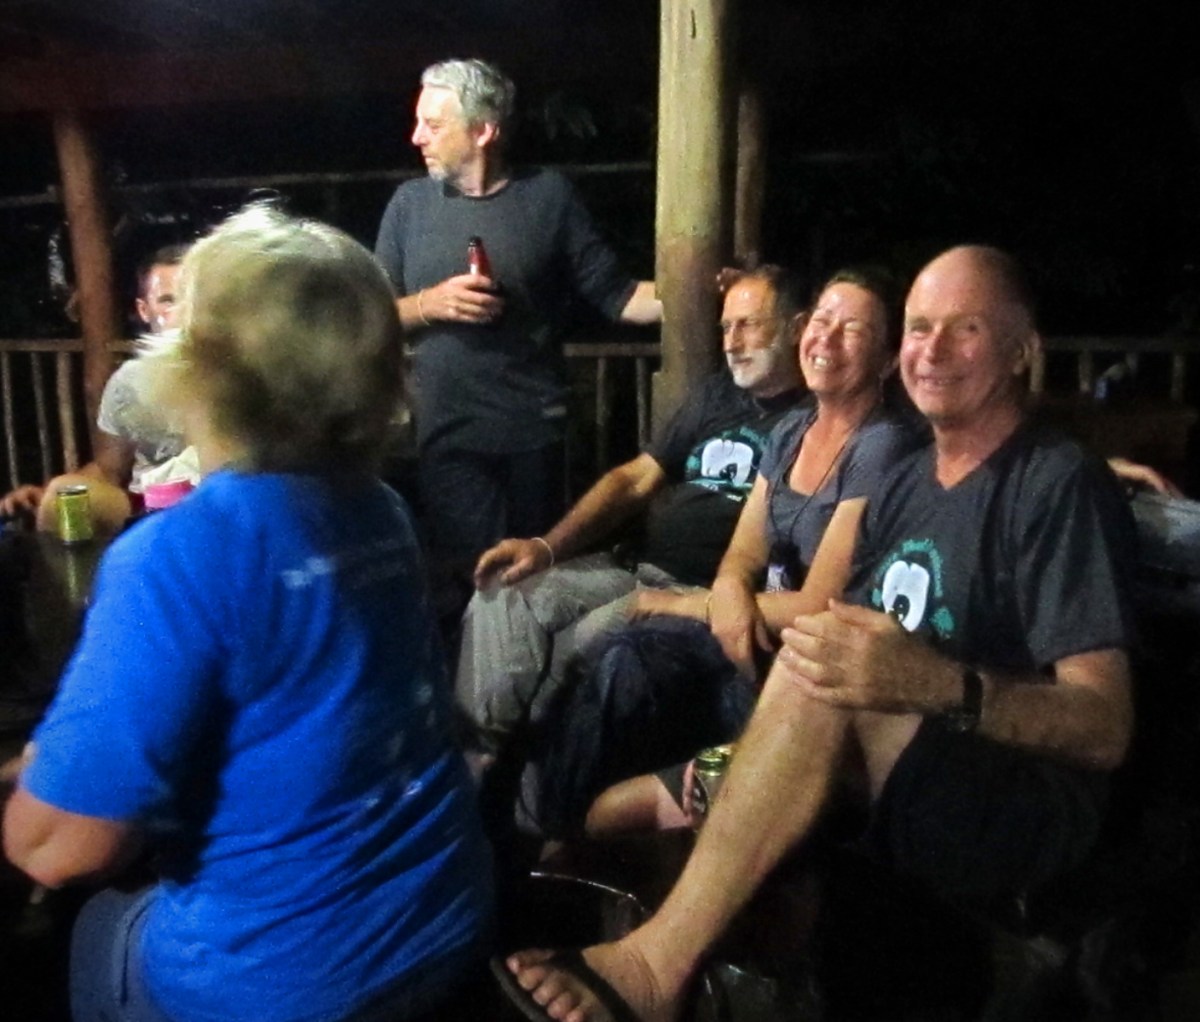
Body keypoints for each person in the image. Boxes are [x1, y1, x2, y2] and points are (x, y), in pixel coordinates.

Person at [497, 244, 1136, 1022]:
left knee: (818, 672)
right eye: (920, 327)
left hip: (1013, 794)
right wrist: (741, 757)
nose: (932, 350)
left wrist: (939, 684)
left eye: (965, 329)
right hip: (877, 754)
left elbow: (1104, 727)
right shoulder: (907, 481)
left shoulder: (1055, 484)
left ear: (1020, 352)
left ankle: (653, 972)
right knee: (618, 810)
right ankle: (709, 966)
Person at [2, 206, 493, 1022]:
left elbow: (60, 847)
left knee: (91, 932)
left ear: (206, 368)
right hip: (445, 915)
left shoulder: (180, 551)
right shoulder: (381, 511)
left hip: (294, 982)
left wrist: (43, 769)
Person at [545, 267, 926, 837]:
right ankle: (564, 835)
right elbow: (743, 553)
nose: (826, 337)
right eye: (822, 320)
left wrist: (683, 604)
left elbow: (817, 604)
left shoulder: (880, 445)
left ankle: (570, 840)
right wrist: (726, 593)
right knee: (622, 660)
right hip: (748, 632)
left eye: (852, 330)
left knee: (632, 656)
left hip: (798, 663)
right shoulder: (792, 431)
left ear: (887, 360)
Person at [456, 265, 806, 762]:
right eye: (726, 327)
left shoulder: (812, 418)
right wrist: (546, 547)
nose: (731, 343)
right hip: (633, 564)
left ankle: (522, 780)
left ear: (795, 328)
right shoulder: (717, 395)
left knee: (576, 648)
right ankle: (478, 758)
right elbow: (634, 479)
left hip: (694, 589)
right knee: (502, 592)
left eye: (748, 325)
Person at [373, 57, 661, 582]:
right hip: (448, 433)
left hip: (537, 433)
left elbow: (618, 297)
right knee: (475, 579)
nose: (417, 137)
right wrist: (428, 304)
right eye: (418, 123)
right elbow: (373, 314)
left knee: (534, 580)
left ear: (483, 131)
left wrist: (708, 294)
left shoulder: (547, 196)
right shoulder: (409, 205)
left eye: (433, 125)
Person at [0, 244, 188, 534]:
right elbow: (108, 469)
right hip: (150, 505)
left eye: (192, 298)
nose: (184, 312)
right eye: (168, 300)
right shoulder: (130, 381)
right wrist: (45, 493)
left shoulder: (241, 370)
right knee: (60, 496)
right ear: (144, 310)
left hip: (219, 500)